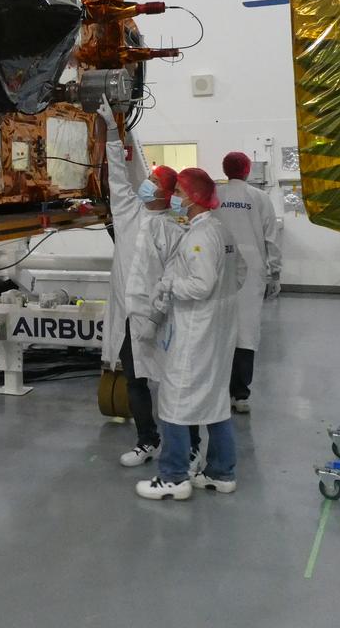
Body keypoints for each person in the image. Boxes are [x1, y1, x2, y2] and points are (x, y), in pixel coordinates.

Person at [136, 168, 245, 500]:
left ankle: (173, 477)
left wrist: (169, 287)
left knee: (176, 401)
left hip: (197, 329)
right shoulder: (221, 231)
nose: (176, 199)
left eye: (181, 194)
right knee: (214, 401)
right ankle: (220, 472)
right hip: (220, 327)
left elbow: (201, 285)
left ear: (194, 199)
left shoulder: (199, 237)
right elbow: (239, 272)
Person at [99, 102, 192, 466]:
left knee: (171, 383)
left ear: (166, 193)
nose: (145, 183)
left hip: (163, 317)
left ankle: (183, 445)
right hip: (131, 317)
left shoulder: (174, 229)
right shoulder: (126, 211)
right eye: (149, 178)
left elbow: (179, 276)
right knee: (135, 381)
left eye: (153, 181)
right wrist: (112, 129)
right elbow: (117, 175)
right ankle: (147, 439)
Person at [214, 151, 281, 414]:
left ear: (224, 168)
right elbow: (272, 238)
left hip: (218, 268)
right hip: (253, 272)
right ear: (248, 170)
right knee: (247, 333)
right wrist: (274, 273)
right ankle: (240, 395)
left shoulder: (215, 196)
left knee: (219, 329)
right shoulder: (260, 198)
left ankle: (218, 390)